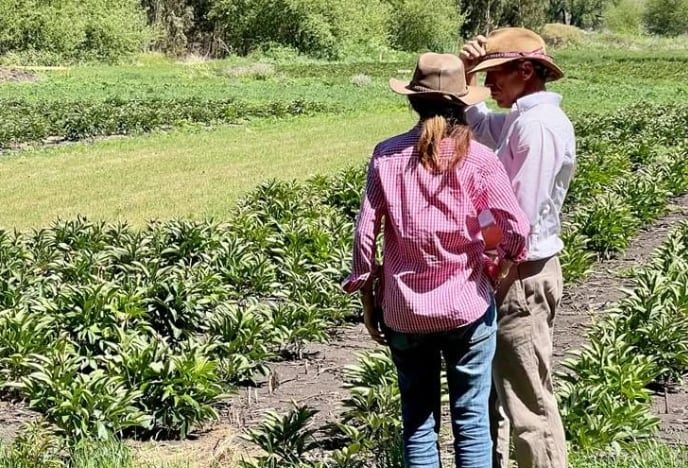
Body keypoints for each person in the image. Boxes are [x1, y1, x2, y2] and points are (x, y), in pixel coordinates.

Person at [342, 52, 530, 468]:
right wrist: (498, 262)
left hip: (405, 311)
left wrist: (368, 296)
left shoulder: (387, 156)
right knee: (471, 421)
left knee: (418, 421)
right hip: (466, 308)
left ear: (413, 102)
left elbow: (364, 234)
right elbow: (512, 227)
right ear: (463, 103)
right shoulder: (479, 159)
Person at [459, 27, 576, 468]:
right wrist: (467, 76)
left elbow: (517, 223)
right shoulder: (524, 119)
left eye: (496, 74)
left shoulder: (539, 126)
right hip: (514, 272)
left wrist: (492, 266)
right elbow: (483, 128)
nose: (490, 84)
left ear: (526, 70)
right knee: (505, 391)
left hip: (520, 274)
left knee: (528, 403)